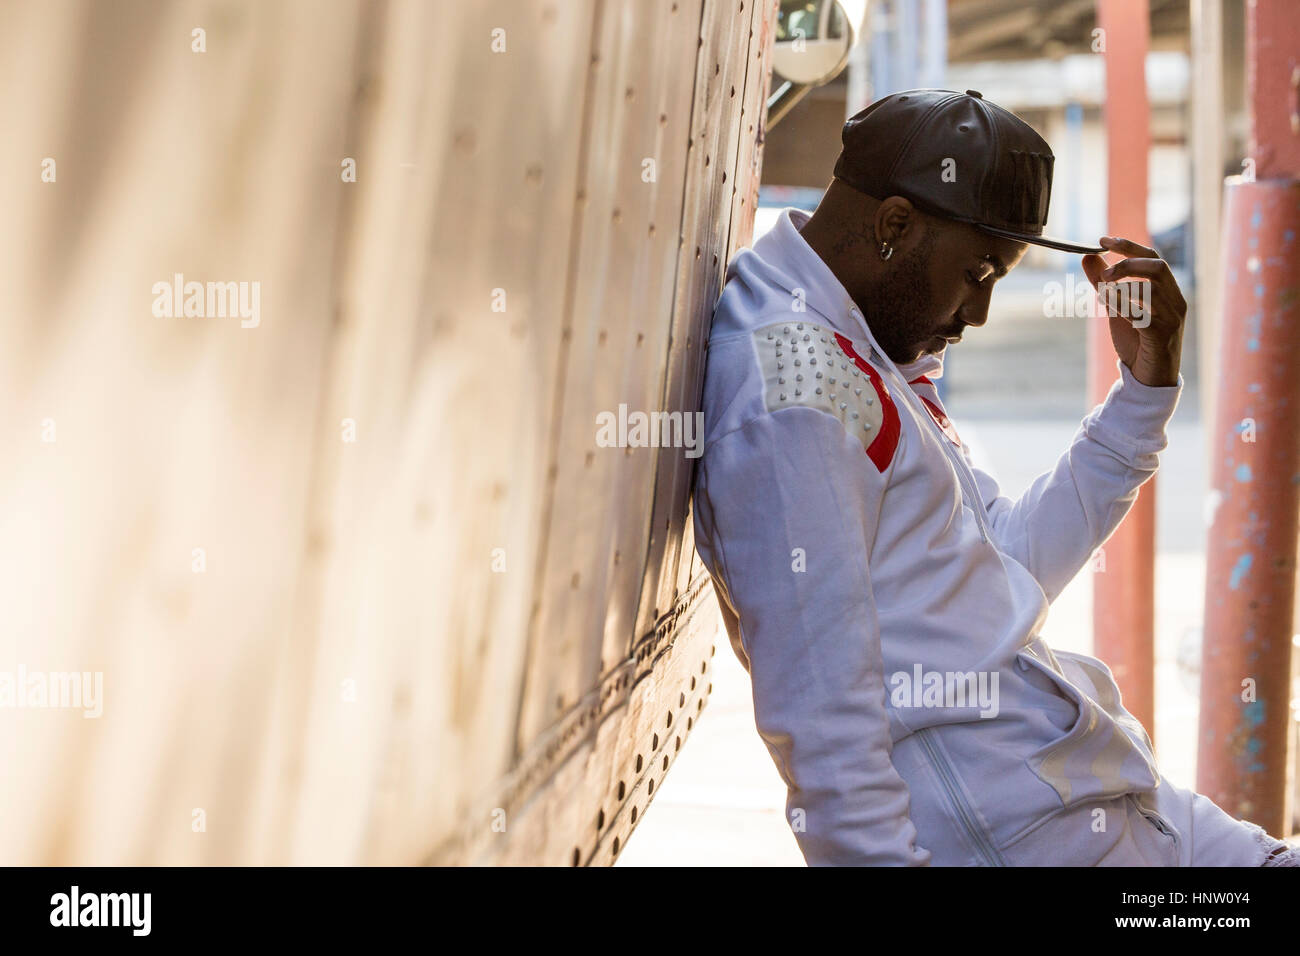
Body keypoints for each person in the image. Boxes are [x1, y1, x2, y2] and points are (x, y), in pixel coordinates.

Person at [691, 88, 1297, 866]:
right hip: (1024, 834)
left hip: (1096, 801)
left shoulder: (850, 348)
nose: (977, 312)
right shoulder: (795, 389)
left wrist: (1143, 395)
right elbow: (824, 725)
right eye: (977, 271)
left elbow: (1000, 566)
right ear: (895, 225)